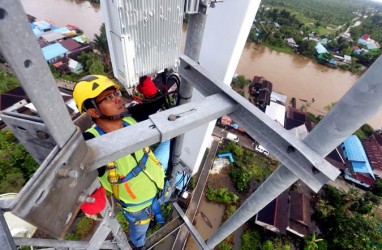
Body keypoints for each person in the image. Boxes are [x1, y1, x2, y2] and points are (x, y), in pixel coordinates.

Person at [73, 75, 171, 250]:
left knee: (168, 138)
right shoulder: (91, 143)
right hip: (138, 206)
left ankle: (162, 202)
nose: (118, 98)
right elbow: (68, 156)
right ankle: (138, 246)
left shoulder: (130, 118)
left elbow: (157, 102)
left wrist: (149, 89)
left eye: (115, 93)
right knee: (139, 231)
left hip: (158, 182)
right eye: (108, 98)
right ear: (93, 111)